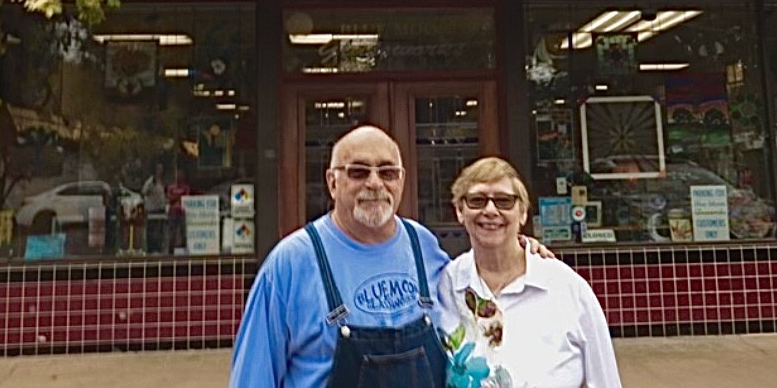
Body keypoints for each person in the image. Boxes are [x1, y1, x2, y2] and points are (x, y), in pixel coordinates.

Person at [229, 125, 552, 388]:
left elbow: (479, 290)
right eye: (358, 172)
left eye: (387, 172)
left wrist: (519, 249)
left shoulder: (422, 244)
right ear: (332, 182)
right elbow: (253, 377)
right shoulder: (290, 263)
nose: (374, 183)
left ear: (402, 180)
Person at [437, 157, 623, 388]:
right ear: (459, 211)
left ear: (523, 213)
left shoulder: (566, 288)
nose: (490, 210)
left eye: (504, 201)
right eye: (477, 200)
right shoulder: (446, 284)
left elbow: (604, 380)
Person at [142, 163, 168, 254]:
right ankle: (151, 249)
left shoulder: (162, 181)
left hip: (161, 209)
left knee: (160, 231)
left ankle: (159, 248)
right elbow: (144, 192)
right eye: (158, 169)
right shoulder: (151, 181)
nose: (160, 171)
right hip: (152, 210)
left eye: (161, 169)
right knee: (152, 231)